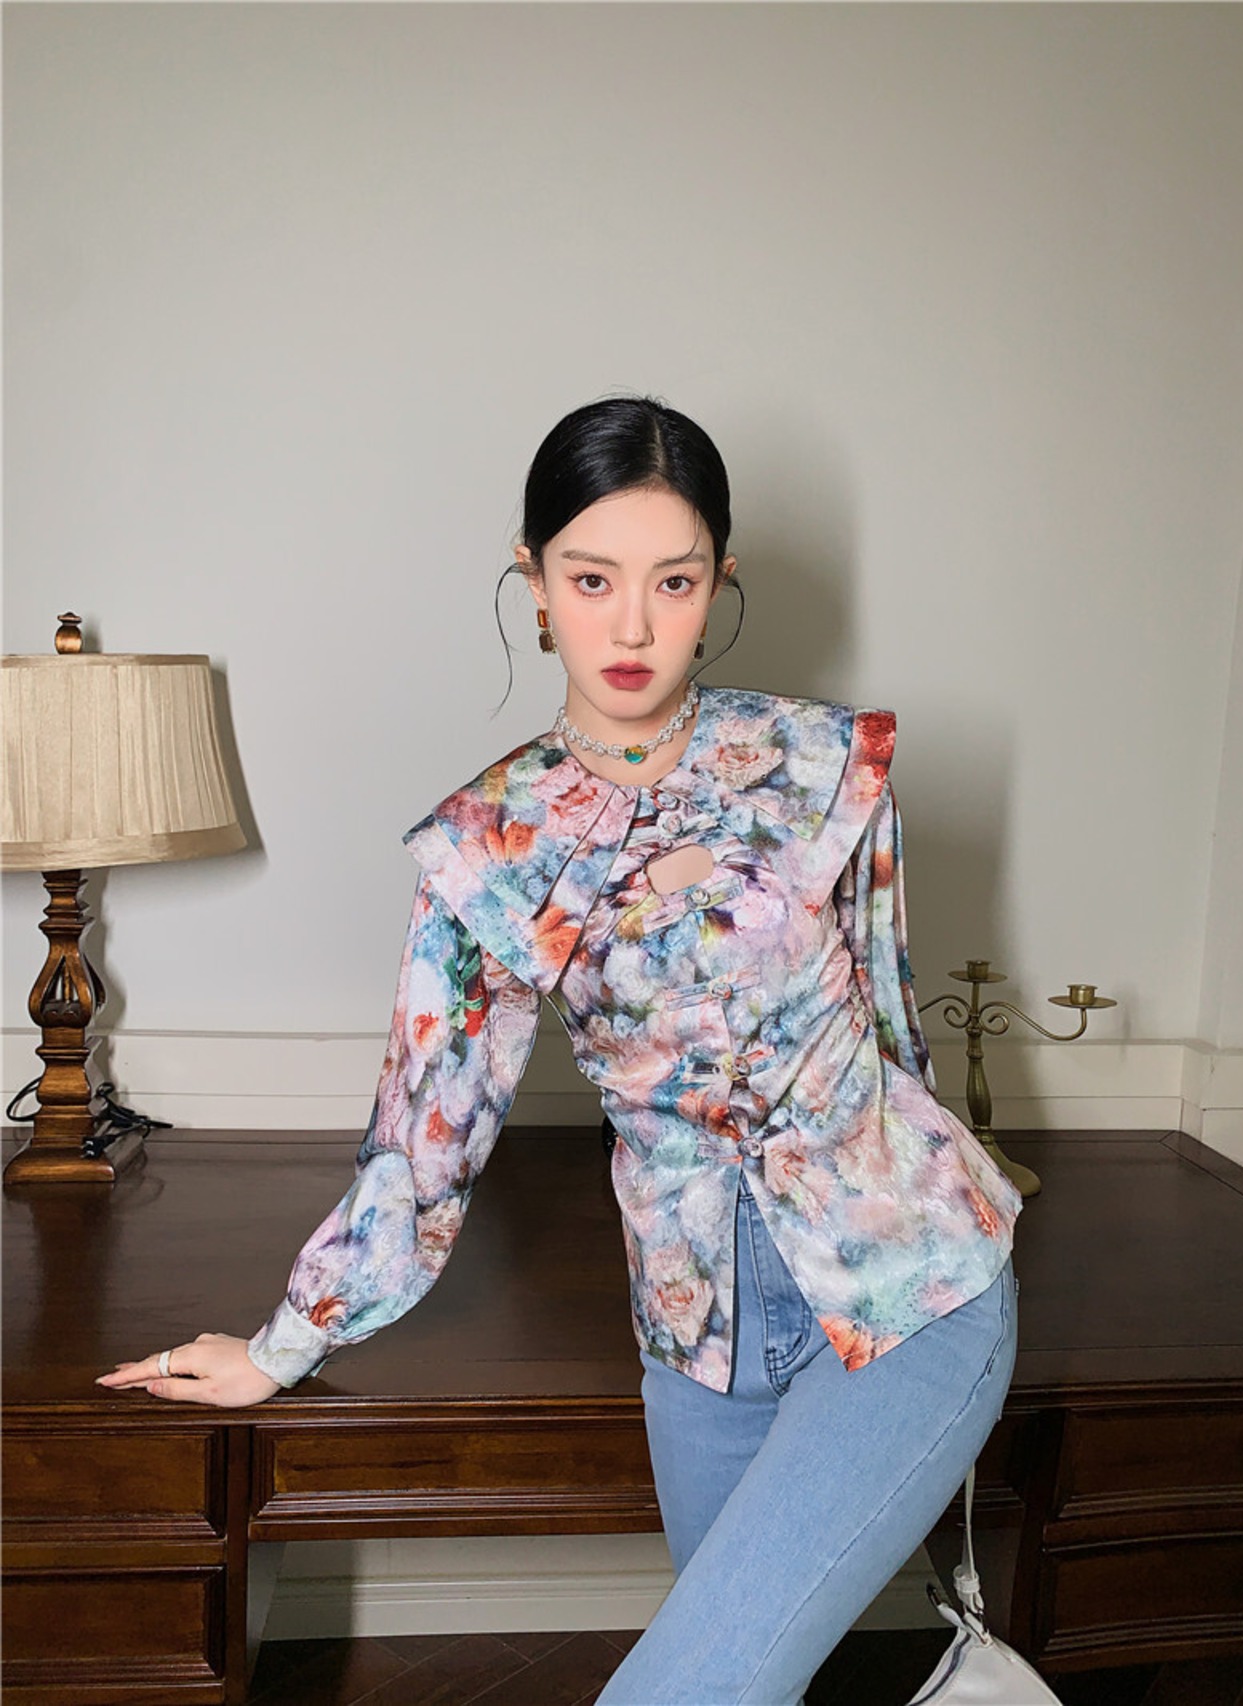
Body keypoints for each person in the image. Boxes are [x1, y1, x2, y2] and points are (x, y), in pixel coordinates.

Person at [99, 397, 1023, 1704]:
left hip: (910, 1284)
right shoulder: (489, 845)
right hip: (697, 1339)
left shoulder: (823, 765)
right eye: (593, 580)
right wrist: (283, 1342)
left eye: (673, 581)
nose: (633, 626)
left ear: (719, 584)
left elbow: (890, 1018)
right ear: (533, 582)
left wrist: (961, 1185)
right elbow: (425, 1137)